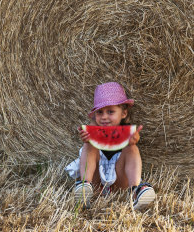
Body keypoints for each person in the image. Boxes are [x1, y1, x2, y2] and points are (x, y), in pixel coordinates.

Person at [65, 82, 156, 210]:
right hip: (95, 182)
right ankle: (85, 188)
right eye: (100, 112)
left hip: (120, 183)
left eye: (110, 112)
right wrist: (86, 140)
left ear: (123, 113)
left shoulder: (128, 132)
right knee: (89, 146)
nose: (104, 117)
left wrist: (133, 140)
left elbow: (131, 152)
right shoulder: (92, 130)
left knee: (132, 149)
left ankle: (135, 190)